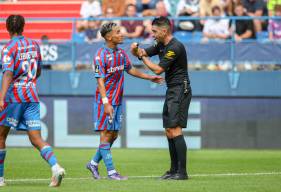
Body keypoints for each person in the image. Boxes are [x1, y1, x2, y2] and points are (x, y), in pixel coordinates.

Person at [86, 22, 163, 180]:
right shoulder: (100, 55)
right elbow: (100, 81)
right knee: (106, 135)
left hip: (117, 101)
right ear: (109, 37)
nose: (122, 34)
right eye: (118, 32)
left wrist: (150, 77)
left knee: (113, 136)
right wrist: (106, 102)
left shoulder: (121, 54)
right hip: (105, 102)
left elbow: (131, 69)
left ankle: (93, 163)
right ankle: (112, 172)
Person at [0, 15, 65, 187]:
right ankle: (56, 167)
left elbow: (7, 73)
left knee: (1, 136)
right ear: (23, 27)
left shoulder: (8, 48)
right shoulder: (34, 45)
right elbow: (39, 72)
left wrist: (1, 97)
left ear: (7, 28)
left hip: (13, 97)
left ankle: (0, 179)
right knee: (36, 138)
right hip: (32, 95)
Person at [131, 16, 192, 180]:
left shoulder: (175, 47)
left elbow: (158, 70)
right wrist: (136, 51)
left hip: (180, 89)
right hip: (172, 89)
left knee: (175, 129)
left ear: (164, 31)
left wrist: (141, 57)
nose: (153, 34)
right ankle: (173, 170)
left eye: (155, 31)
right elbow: (144, 52)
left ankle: (182, 172)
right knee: (169, 130)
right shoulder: (160, 44)